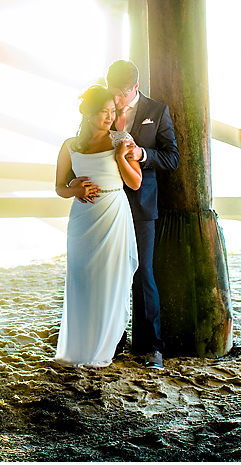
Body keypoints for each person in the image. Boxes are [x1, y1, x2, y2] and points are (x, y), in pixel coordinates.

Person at [53, 85, 142, 368]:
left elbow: (135, 182)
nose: (109, 117)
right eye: (103, 111)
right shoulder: (70, 145)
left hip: (113, 213)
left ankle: (104, 348)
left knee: (109, 281)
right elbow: (58, 187)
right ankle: (79, 348)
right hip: (82, 220)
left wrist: (119, 158)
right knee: (82, 281)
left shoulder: (122, 140)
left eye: (112, 112)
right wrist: (74, 188)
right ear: (88, 113)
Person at [106, 59, 180, 370]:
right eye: (114, 92)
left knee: (143, 274)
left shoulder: (157, 111)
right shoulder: (104, 106)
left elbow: (172, 157)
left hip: (142, 203)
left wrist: (143, 154)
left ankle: (153, 349)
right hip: (108, 203)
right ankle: (112, 341)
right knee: (110, 273)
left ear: (135, 87)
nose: (117, 99)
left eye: (122, 93)